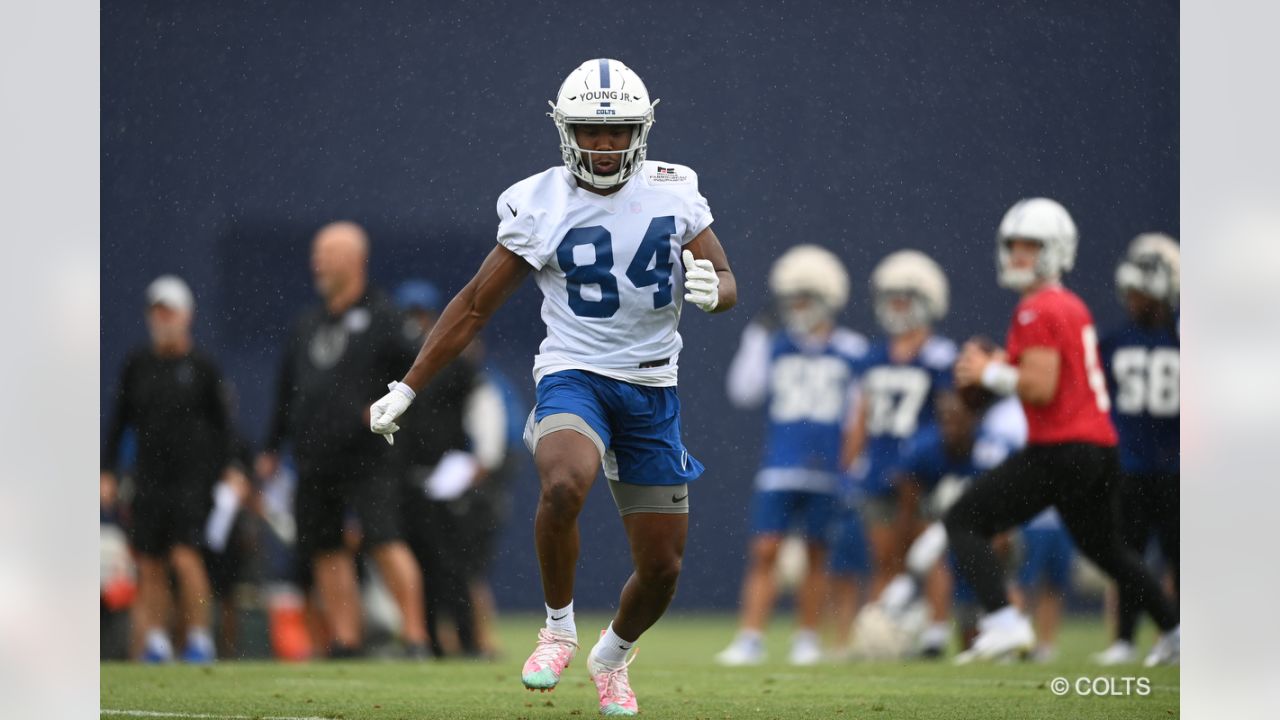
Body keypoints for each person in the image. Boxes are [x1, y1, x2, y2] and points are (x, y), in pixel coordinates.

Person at [368, 59, 736, 716]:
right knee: (564, 482)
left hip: (653, 388)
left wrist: (717, 293)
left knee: (663, 570)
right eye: (589, 133)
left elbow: (725, 276)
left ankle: (613, 655)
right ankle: (558, 628)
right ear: (565, 132)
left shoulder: (674, 190)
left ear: (640, 129)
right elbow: (476, 305)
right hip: (575, 373)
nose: (603, 146)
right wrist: (409, 385)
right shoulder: (539, 201)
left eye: (616, 130)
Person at [945, 197, 1180, 665]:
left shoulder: (1039, 308)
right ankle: (1175, 631)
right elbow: (1049, 377)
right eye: (1013, 246)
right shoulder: (1069, 306)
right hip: (1099, 449)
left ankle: (1003, 621)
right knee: (1108, 549)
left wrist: (989, 372)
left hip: (1062, 449)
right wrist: (995, 367)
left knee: (964, 519)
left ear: (1055, 250)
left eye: (1030, 247)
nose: (1018, 256)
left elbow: (1039, 386)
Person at [257, 221, 428, 658]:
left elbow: (420, 373)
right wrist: (272, 448)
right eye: (316, 253)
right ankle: (346, 638)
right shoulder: (307, 323)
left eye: (327, 253)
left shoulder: (386, 317)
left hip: (369, 454)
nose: (317, 262)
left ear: (354, 260)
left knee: (384, 539)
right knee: (324, 546)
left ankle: (414, 637)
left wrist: (387, 404)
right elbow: (287, 389)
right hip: (315, 454)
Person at [714, 245, 866, 667]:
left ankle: (806, 638)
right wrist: (754, 338)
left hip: (827, 471)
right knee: (765, 551)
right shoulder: (775, 344)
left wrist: (851, 467)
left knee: (818, 555)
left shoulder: (851, 349)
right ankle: (750, 637)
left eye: (806, 298)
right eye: (792, 299)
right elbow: (743, 391)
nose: (797, 308)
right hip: (780, 467)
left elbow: (858, 416)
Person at [101, 275, 247, 663]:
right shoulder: (138, 365)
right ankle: (156, 642)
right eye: (156, 312)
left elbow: (225, 427)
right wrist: (108, 470)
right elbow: (118, 423)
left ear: (186, 316)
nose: (162, 319)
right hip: (148, 479)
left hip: (192, 482)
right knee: (149, 562)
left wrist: (232, 468)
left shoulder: (202, 367)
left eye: (169, 311)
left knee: (185, 557)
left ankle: (199, 638)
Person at [393, 279, 508, 658]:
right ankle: (431, 642)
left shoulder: (456, 360)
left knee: (456, 565)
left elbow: (483, 404)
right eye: (409, 315)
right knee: (423, 563)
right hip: (409, 477)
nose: (416, 323)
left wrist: (483, 459)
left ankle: (470, 641)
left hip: (449, 476)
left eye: (422, 315)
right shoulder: (392, 359)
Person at [836, 250, 956, 606]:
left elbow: (954, 419)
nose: (898, 307)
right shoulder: (871, 358)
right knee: (884, 560)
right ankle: (884, 632)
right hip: (880, 468)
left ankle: (935, 633)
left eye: (907, 300)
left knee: (928, 557)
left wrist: (950, 467)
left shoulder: (941, 356)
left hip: (926, 472)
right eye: (893, 299)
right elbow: (860, 418)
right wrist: (849, 466)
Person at [1093, 232, 1180, 665]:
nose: (1133, 299)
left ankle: (1178, 636)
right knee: (1127, 556)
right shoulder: (1113, 340)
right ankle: (1124, 639)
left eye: (1140, 290)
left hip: (1178, 467)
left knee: (1181, 557)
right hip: (1129, 465)